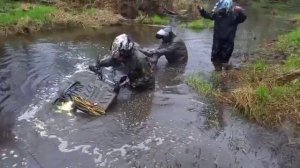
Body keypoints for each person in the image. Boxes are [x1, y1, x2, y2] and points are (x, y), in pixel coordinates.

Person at [89, 34, 155, 91]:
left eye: (119, 56)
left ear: (125, 52)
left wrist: (128, 83)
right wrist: (99, 64)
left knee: (135, 83)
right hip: (132, 68)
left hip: (144, 81)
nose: (118, 58)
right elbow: (111, 60)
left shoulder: (140, 59)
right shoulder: (121, 53)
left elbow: (149, 79)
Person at [197, 0, 247, 71]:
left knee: (221, 62)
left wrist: (240, 11)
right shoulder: (219, 14)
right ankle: (221, 74)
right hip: (221, 44)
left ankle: (225, 72)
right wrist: (202, 10)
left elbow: (243, 18)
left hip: (225, 45)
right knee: (218, 62)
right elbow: (208, 15)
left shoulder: (232, 16)